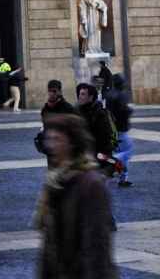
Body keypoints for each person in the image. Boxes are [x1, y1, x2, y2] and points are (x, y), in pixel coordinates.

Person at [34, 112, 118, 279]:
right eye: (49, 139)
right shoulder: (55, 181)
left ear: (72, 143)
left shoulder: (90, 184)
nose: (50, 146)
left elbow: (96, 245)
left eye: (57, 139)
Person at [75, 83, 118, 166]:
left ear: (91, 97)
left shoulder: (100, 114)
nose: (79, 96)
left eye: (83, 94)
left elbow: (105, 139)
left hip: (99, 157)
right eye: (79, 94)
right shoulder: (79, 112)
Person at [104, 72, 134, 188]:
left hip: (111, 130)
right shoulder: (121, 95)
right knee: (127, 152)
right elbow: (123, 111)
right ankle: (109, 163)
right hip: (120, 130)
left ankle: (123, 178)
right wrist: (129, 111)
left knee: (120, 153)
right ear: (121, 84)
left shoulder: (108, 94)